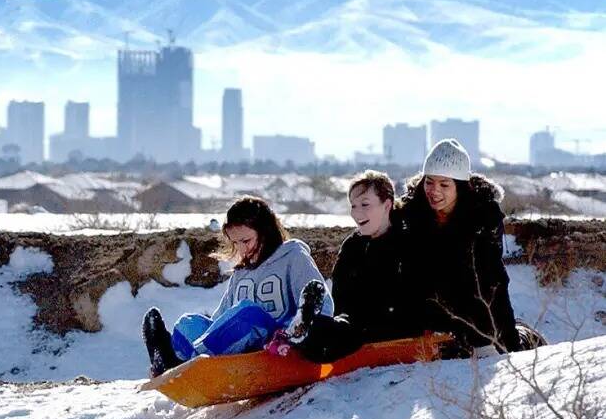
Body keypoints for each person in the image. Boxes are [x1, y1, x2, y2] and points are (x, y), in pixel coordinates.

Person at [142, 196, 333, 377]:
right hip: (237, 344)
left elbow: (320, 300)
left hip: (277, 343)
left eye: (246, 241)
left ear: (265, 232)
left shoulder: (292, 256)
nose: (241, 249)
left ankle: (186, 362)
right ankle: (171, 357)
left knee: (248, 313)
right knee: (189, 322)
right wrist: (200, 330)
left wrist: (309, 332)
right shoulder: (241, 273)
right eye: (235, 242)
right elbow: (222, 319)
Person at [398, 139, 546, 355]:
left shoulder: (482, 220)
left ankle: (525, 336)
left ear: (460, 186)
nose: (434, 191)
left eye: (444, 184)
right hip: (430, 316)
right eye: (429, 182)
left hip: (475, 314)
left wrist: (507, 343)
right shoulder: (410, 215)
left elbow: (492, 281)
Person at [298, 170, 427, 363]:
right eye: (353, 206)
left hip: (394, 324)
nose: (357, 213)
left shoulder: (408, 241)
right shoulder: (353, 246)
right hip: (354, 323)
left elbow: (415, 296)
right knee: (336, 330)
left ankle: (308, 334)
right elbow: (340, 294)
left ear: (387, 205)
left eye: (365, 205)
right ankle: (300, 330)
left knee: (331, 340)